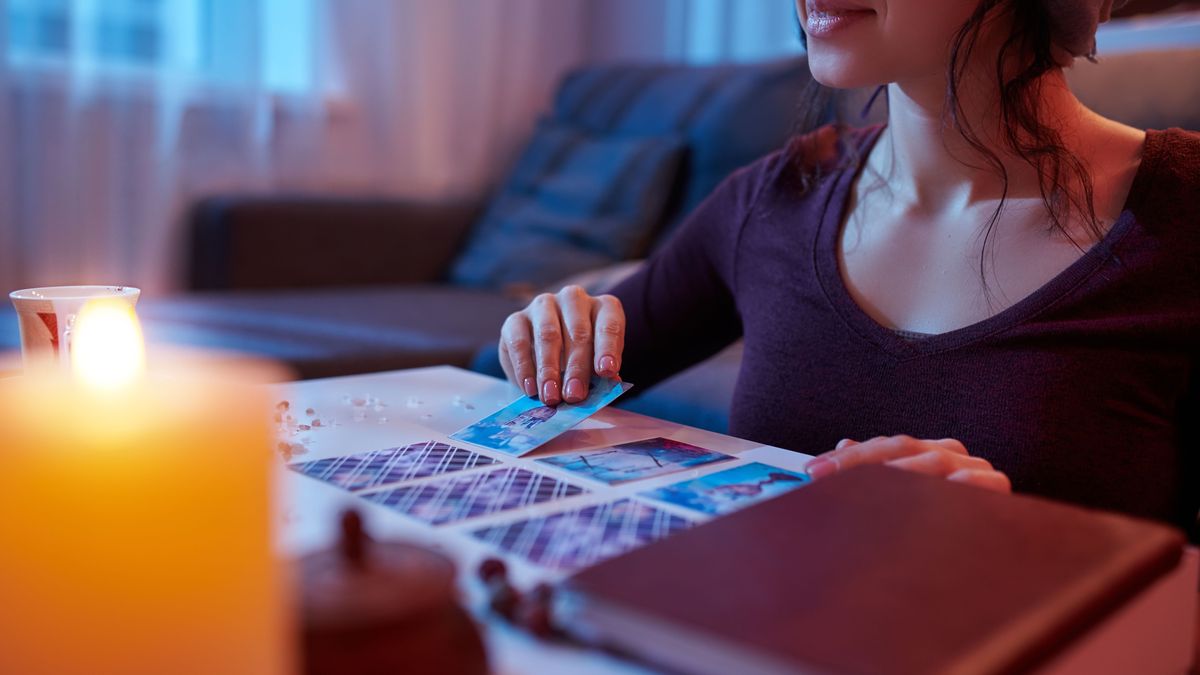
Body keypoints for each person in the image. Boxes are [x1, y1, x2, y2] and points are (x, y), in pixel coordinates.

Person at [497, 0, 1200, 533]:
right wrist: (550, 337)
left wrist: (1020, 548)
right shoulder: (772, 198)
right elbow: (576, 373)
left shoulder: (1184, 216)